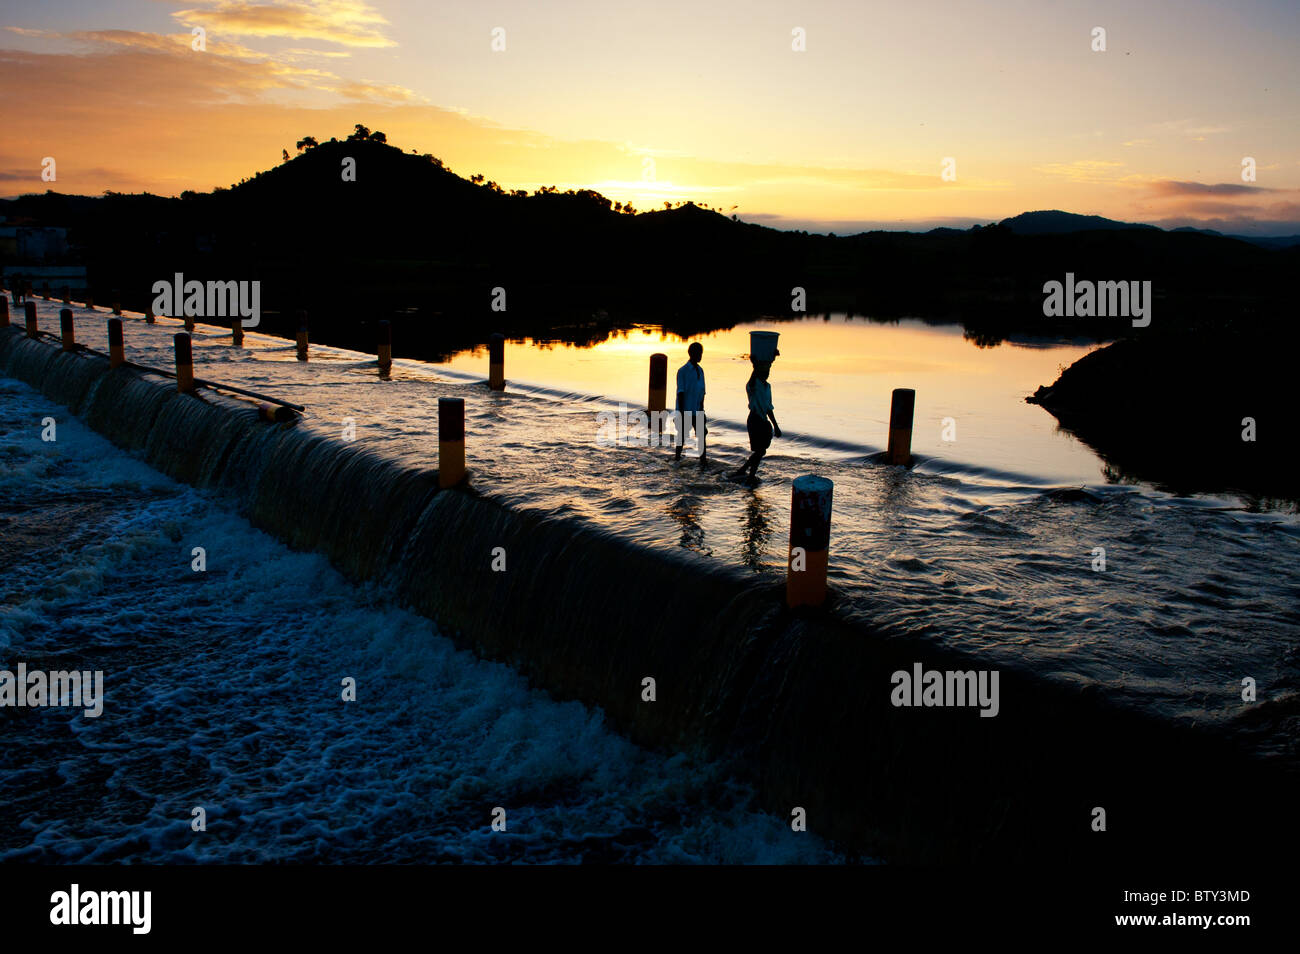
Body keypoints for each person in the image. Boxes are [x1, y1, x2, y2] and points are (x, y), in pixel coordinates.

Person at [732, 360, 781, 480]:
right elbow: (752, 379)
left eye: (768, 371)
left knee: (761, 451)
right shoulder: (754, 384)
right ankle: (747, 473)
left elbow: (769, 408)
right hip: (754, 420)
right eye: (764, 371)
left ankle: (746, 472)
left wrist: (776, 426)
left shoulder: (767, 387)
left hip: (763, 421)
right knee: (760, 451)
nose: (767, 373)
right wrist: (756, 364)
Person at [674, 342, 706, 461]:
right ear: (691, 354)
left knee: (701, 436)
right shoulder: (683, 371)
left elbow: (702, 392)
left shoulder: (700, 371)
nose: (700, 356)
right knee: (682, 436)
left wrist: (702, 411)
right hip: (685, 410)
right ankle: (677, 458)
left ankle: (703, 460)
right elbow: (681, 393)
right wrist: (681, 413)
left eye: (701, 353)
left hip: (697, 410)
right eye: (699, 353)